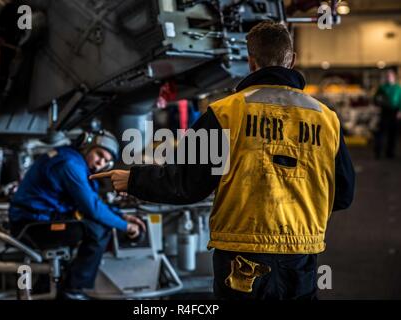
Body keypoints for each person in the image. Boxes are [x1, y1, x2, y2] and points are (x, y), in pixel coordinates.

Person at [91, 21, 355, 300]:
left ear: (251, 62)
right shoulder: (326, 119)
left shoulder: (225, 113)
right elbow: (343, 195)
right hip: (300, 258)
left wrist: (132, 179)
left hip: (240, 259)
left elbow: (186, 183)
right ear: (292, 60)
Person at [8, 130, 145, 300]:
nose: (100, 163)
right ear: (87, 146)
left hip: (37, 219)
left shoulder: (71, 160)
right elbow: (92, 209)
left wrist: (121, 216)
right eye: (99, 155)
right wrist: (126, 226)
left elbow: (92, 200)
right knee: (99, 229)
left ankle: (45, 290)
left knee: (82, 227)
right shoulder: (70, 165)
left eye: (106, 162)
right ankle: (73, 290)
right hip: (31, 224)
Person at [374, 68, 401, 159]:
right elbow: (375, 98)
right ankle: (378, 152)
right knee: (381, 132)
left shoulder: (398, 88)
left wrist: (400, 111)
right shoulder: (382, 87)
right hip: (385, 111)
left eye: (390, 76)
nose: (388, 77)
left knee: (393, 133)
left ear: (394, 77)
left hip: (395, 112)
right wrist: (378, 102)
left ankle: (390, 153)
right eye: (387, 76)